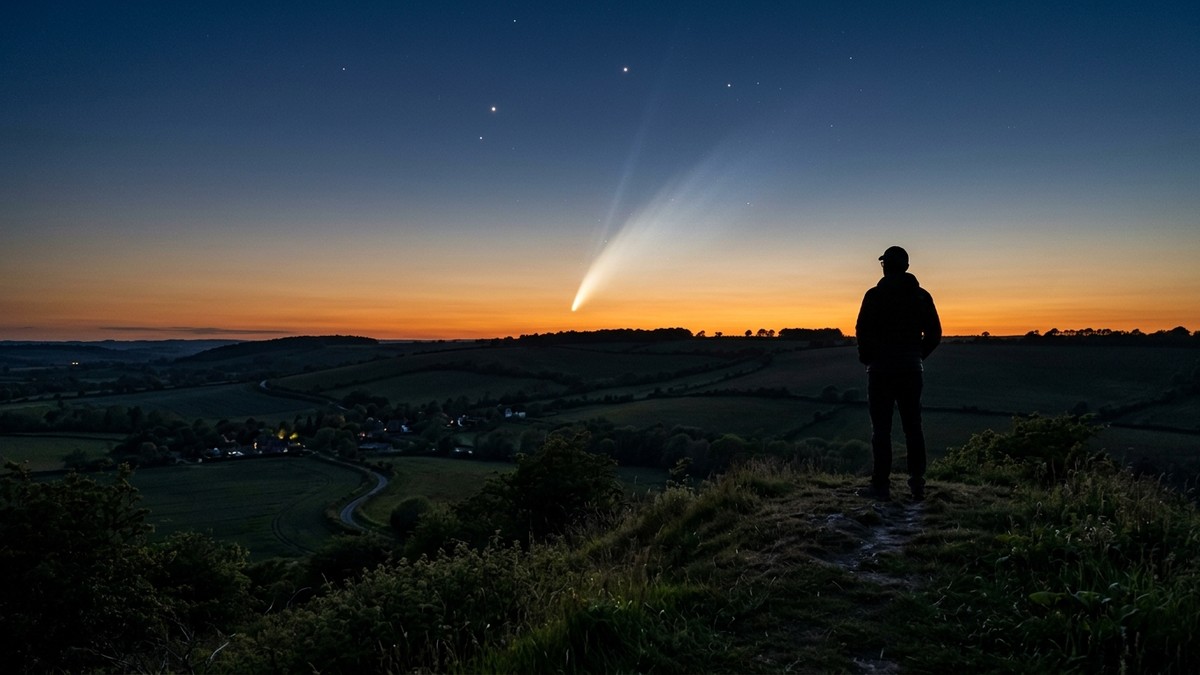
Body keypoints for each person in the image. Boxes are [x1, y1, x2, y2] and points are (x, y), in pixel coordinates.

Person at [854, 246, 941, 501]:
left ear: (885, 265)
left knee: (881, 430)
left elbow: (862, 330)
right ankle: (917, 486)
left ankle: (880, 486)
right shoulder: (922, 296)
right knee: (913, 427)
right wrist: (916, 356)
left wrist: (867, 357)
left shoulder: (874, 295)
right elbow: (935, 335)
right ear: (906, 266)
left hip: (880, 370)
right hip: (911, 371)